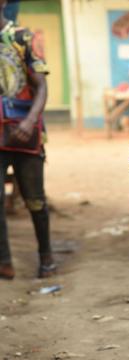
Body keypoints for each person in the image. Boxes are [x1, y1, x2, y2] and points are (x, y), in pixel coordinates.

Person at [0, 0, 56, 279]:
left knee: (35, 200)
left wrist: (29, 121)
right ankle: (4, 262)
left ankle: (46, 257)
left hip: (24, 132)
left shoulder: (22, 37)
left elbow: (42, 86)